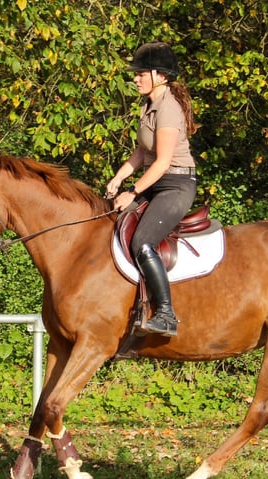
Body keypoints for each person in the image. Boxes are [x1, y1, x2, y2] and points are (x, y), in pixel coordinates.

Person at [105, 41, 198, 337]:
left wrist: (132, 192)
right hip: (156, 181)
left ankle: (167, 314)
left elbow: (161, 163)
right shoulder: (148, 105)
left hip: (176, 184)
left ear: (160, 75)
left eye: (141, 73)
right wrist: (118, 179)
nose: (135, 78)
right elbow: (139, 154)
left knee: (142, 242)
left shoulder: (168, 108)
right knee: (110, 220)